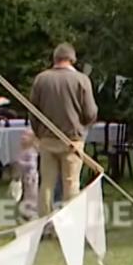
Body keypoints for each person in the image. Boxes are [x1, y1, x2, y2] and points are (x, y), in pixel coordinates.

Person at [28, 42, 98, 215]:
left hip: (47, 139)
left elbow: (33, 111)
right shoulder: (82, 80)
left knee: (46, 184)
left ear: (55, 58)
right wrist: (84, 125)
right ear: (72, 59)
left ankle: (44, 224)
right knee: (71, 183)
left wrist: (39, 132)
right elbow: (90, 113)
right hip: (72, 140)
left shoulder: (41, 79)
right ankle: (69, 224)